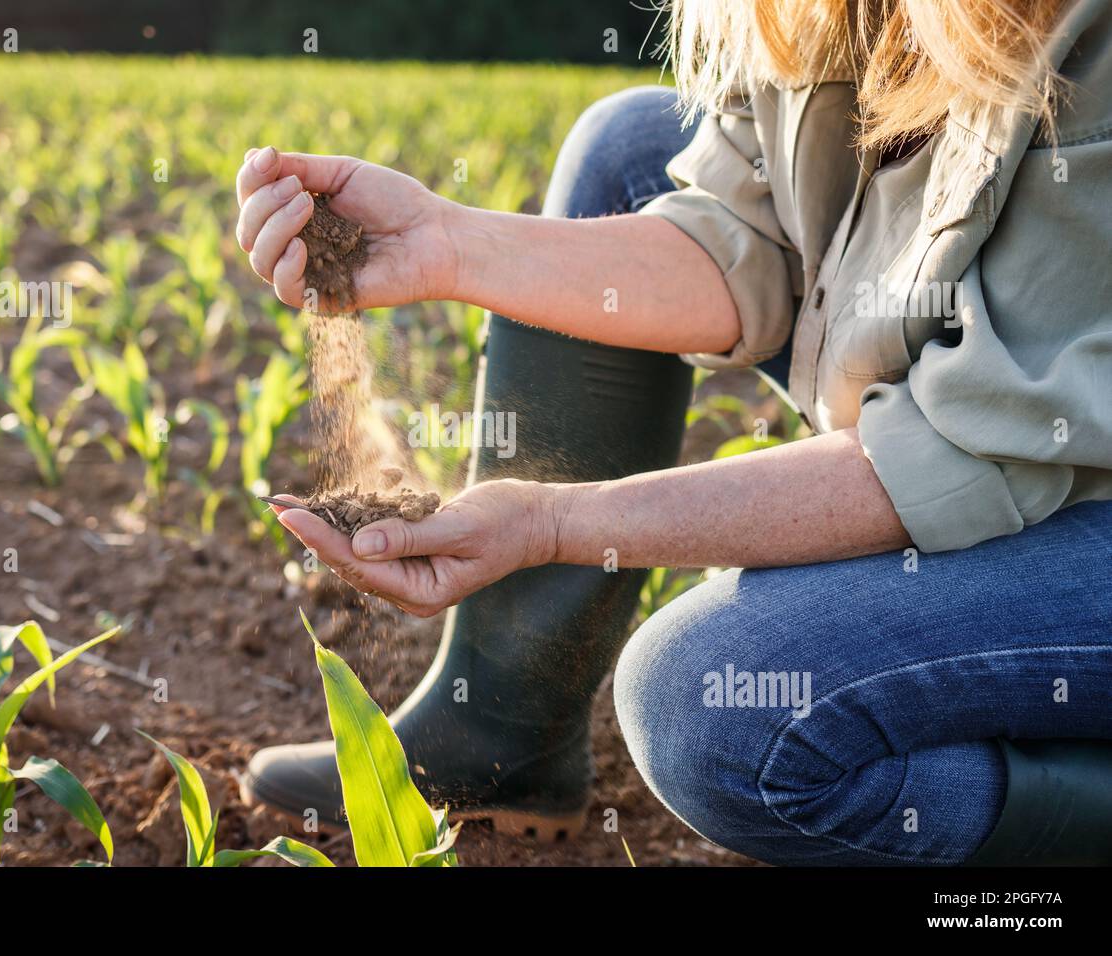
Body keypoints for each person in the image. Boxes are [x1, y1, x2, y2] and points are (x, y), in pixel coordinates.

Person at [232, 0, 1112, 864]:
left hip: (1069, 476)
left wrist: (554, 524)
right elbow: (745, 246)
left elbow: (966, 452)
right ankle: (499, 729)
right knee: (633, 150)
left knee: (711, 707)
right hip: (999, 418)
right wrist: (451, 242)